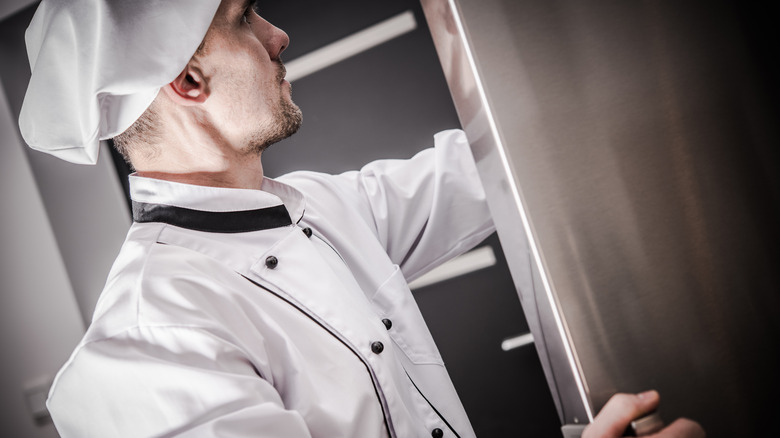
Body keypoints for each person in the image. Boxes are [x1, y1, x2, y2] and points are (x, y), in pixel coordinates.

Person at [19, 0, 705, 437]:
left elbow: (492, 167)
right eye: (245, 17)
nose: (278, 34)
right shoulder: (146, 345)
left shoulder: (321, 207)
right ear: (188, 82)